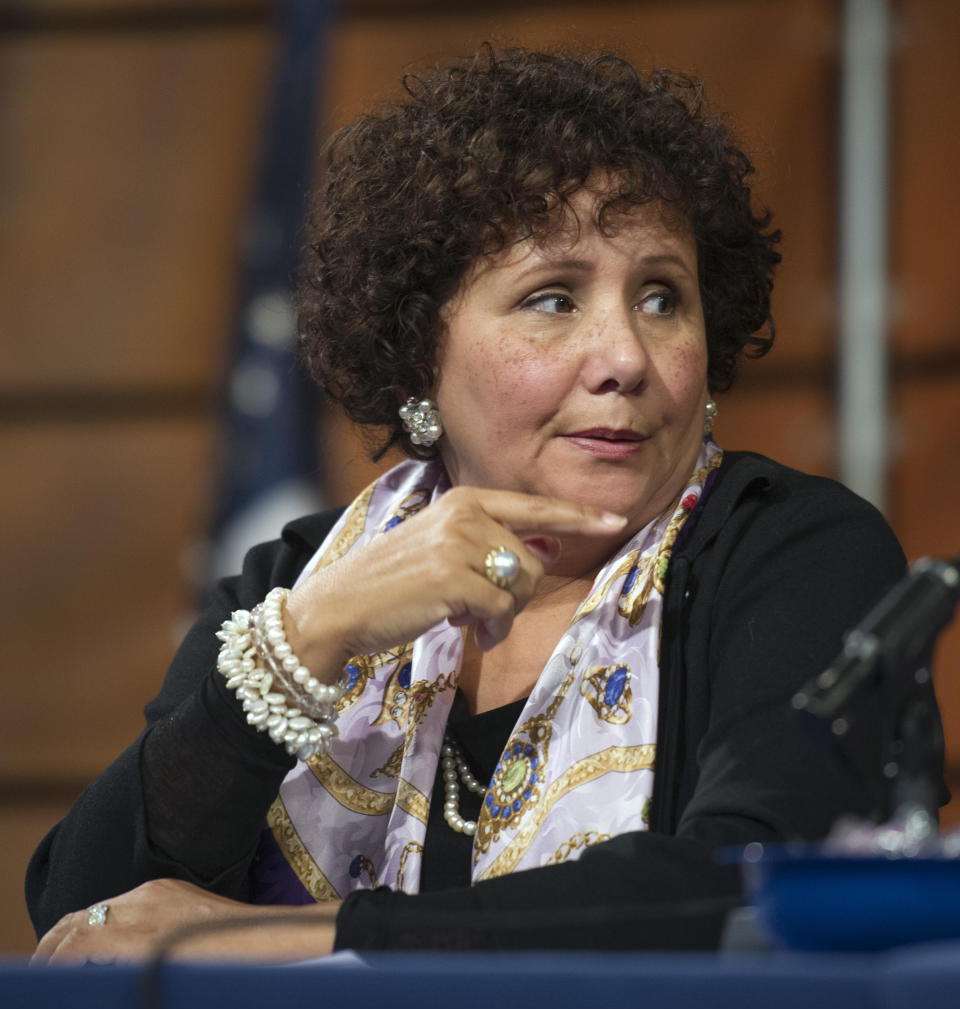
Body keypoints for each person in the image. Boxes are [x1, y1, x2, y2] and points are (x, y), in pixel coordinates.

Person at [28, 47, 935, 962]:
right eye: (552, 299)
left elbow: (744, 883)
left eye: (663, 297)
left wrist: (275, 938)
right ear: (421, 352)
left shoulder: (793, 551)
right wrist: (311, 639)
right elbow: (88, 916)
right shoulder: (302, 578)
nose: (625, 354)